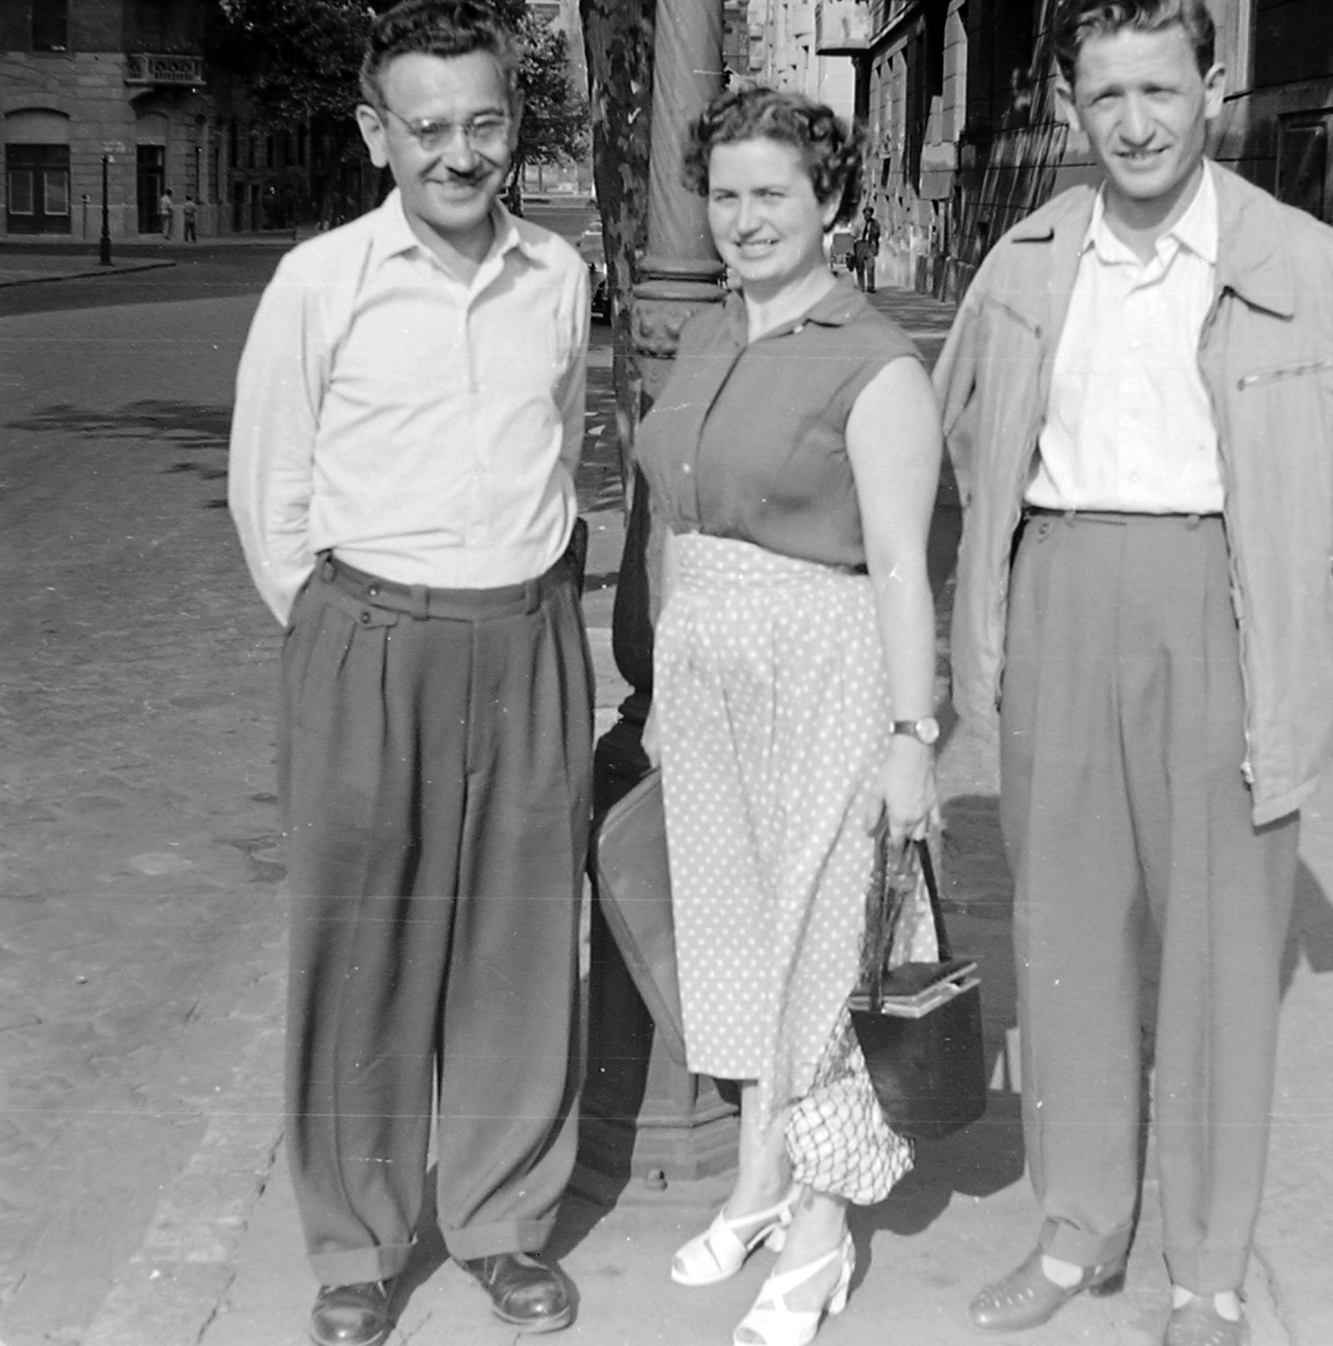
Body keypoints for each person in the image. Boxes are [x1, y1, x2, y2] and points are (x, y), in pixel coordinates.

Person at [934, 4, 1333, 1345]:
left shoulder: (1312, 265)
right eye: (1107, 95)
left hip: (1229, 610)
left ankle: (1209, 1268)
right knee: (1063, 934)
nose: (1135, 123)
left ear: (1213, 89)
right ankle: (1076, 1228)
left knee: (1225, 958)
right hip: (1062, 593)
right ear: (1072, 106)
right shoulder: (1025, 262)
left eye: (1160, 91)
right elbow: (962, 437)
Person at [227, 2, 593, 1343]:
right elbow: (268, 493)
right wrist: (349, 636)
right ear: (378, 131)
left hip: (526, 638)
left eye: (484, 122)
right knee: (361, 951)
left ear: (515, 125)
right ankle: (358, 1243)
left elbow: (556, 439)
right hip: (368, 640)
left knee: (516, 941)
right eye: (428, 125)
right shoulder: (319, 281)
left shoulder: (557, 272)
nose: (459, 152)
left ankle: (500, 1219)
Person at [635, 86, 943, 1346]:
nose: (745, 218)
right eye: (725, 194)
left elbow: (901, 567)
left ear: (832, 204)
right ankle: (760, 1178)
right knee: (731, 931)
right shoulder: (705, 333)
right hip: (705, 672)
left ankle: (821, 1232)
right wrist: (659, 690)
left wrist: (913, 737)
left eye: (773, 193)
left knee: (819, 948)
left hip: (820, 666)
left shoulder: (874, 360)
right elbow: (667, 513)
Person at [851, 205, 880, 292]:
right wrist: (852, 250)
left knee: (871, 265)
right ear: (863, 214)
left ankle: (870, 286)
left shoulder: (875, 224)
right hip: (859, 244)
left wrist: (876, 247)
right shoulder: (858, 224)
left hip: (869, 244)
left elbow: (877, 236)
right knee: (860, 267)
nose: (868, 216)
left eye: (870, 214)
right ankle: (861, 287)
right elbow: (853, 237)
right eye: (866, 214)